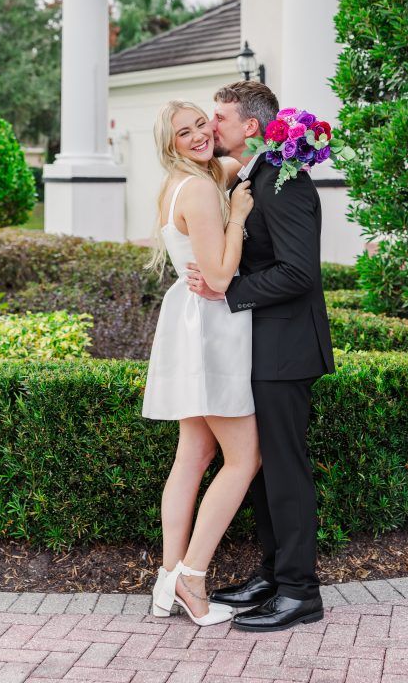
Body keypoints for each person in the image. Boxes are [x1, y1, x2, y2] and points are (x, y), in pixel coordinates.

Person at [187, 80, 335, 633]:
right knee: (263, 470)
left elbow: (300, 272)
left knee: (285, 470)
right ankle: (272, 576)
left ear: (251, 126)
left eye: (219, 118)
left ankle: (300, 592)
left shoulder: (286, 182)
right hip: (260, 347)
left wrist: (229, 290)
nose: (211, 126)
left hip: (286, 350)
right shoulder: (256, 175)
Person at [143, 100, 261, 627]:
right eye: (183, 132)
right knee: (245, 458)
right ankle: (192, 577)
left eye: (201, 124)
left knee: (192, 455)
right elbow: (217, 275)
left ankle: (167, 578)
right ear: (170, 145)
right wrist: (237, 217)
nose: (197, 136)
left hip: (189, 323)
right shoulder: (199, 191)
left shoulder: (185, 181)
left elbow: (241, 160)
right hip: (211, 326)